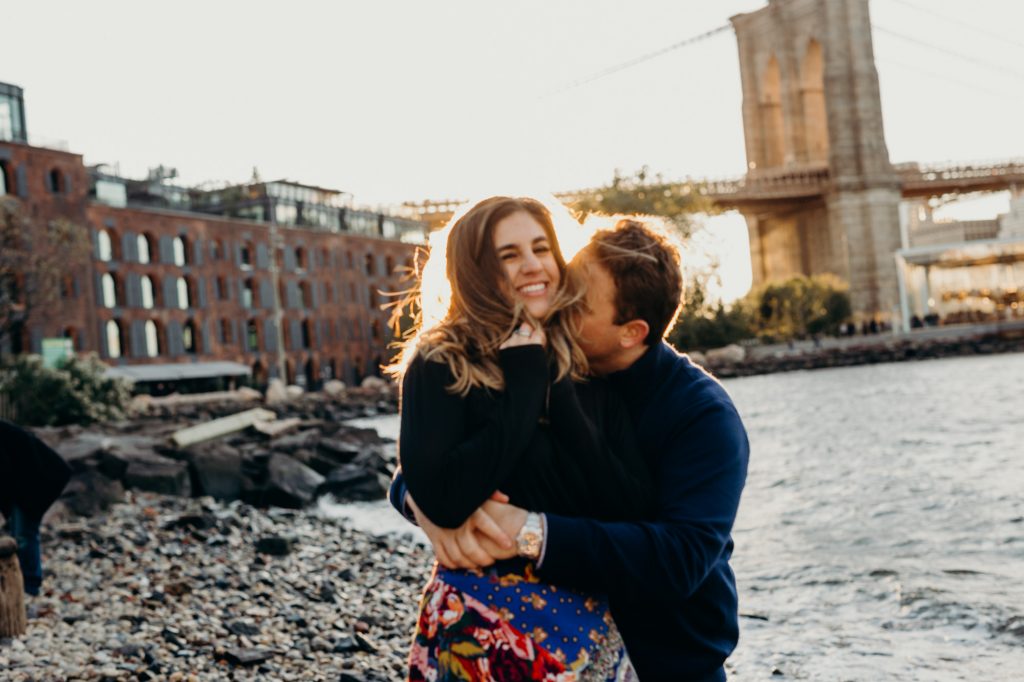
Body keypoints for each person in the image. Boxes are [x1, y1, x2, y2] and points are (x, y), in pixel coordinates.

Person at [392, 218, 750, 681]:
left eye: (578, 302)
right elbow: (448, 453)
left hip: (667, 660)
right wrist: (420, 502)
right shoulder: (539, 364)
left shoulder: (702, 416)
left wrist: (527, 531)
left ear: (631, 332)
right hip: (542, 650)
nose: (557, 298)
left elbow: (679, 559)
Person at [0, 419, 72, 596]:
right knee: (23, 532)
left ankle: (30, 586)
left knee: (24, 535)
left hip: (36, 482)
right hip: (31, 481)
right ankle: (27, 583)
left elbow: (4, 473)